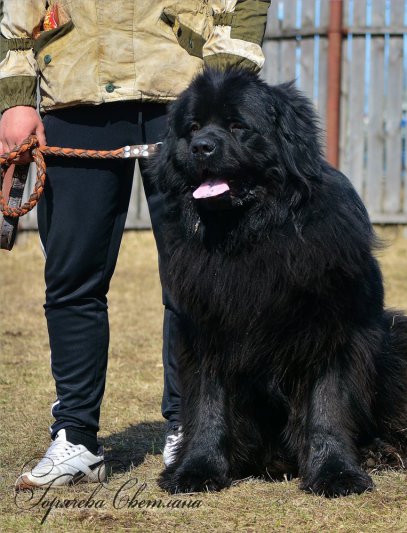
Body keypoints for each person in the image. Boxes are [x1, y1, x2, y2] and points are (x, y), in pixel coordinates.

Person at [0, 1, 270, 488]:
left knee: (199, 277)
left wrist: (224, 88)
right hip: (74, 85)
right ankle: (76, 437)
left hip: (182, 92)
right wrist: (17, 97)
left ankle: (193, 427)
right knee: (72, 276)